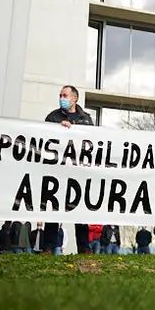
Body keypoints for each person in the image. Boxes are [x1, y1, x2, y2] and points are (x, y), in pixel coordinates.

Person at [43, 85, 94, 255]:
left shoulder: (86, 119)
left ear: (74, 98)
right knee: (54, 207)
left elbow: (92, 141)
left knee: (79, 208)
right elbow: (44, 136)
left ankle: (84, 247)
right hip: (58, 169)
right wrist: (59, 128)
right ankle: (48, 247)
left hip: (78, 171)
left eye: (64, 95)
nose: (61, 97)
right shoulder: (53, 117)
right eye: (60, 95)